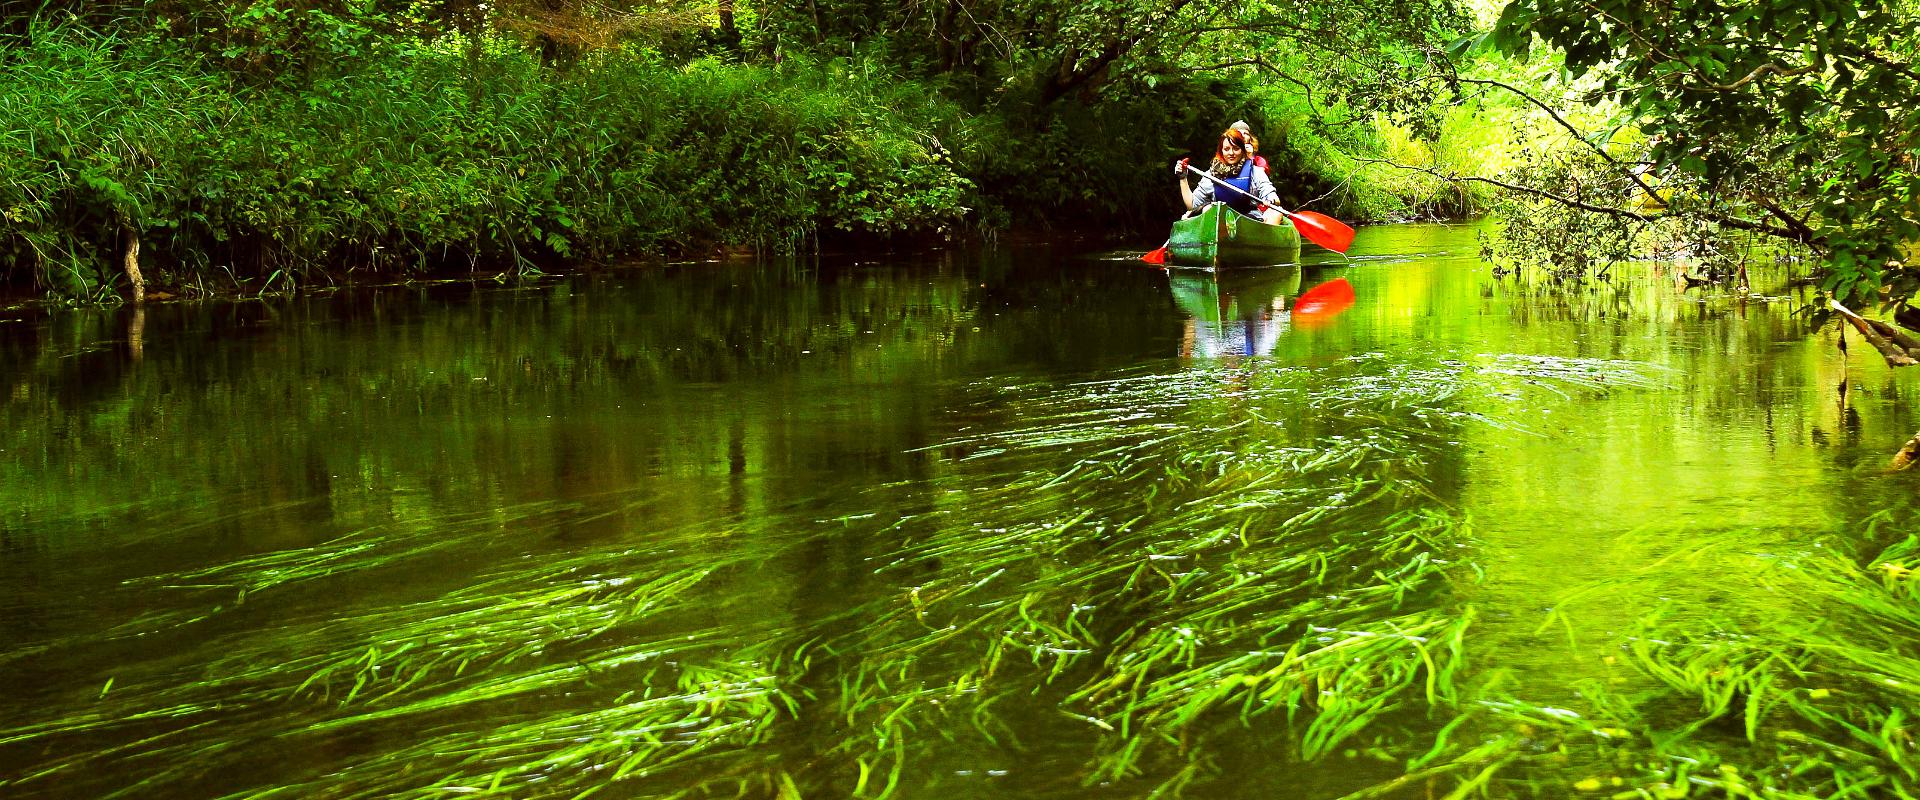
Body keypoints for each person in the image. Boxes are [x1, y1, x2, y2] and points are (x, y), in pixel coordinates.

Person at [1174, 128, 1283, 225]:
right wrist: (1183, 178)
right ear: (1221, 151)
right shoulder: (1210, 175)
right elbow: (1192, 205)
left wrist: (1271, 199)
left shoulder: (1256, 172)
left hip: (1250, 219)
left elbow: (1270, 193)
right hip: (1221, 221)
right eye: (1226, 149)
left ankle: (1261, 245)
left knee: (1276, 212)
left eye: (1236, 148)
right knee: (1207, 209)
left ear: (1242, 150)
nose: (1231, 153)